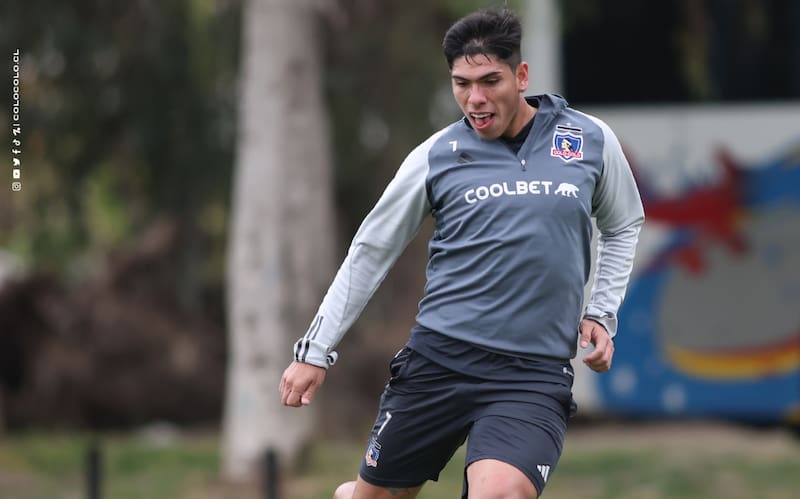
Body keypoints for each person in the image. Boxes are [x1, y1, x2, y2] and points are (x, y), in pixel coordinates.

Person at [280, 7, 644, 499]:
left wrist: (601, 311)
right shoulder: (436, 156)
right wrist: (314, 352)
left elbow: (622, 224)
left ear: (521, 76)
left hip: (532, 373)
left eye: (490, 81)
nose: (475, 98)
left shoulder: (589, 140)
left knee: (500, 493)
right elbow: (370, 252)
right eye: (462, 84)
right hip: (440, 361)